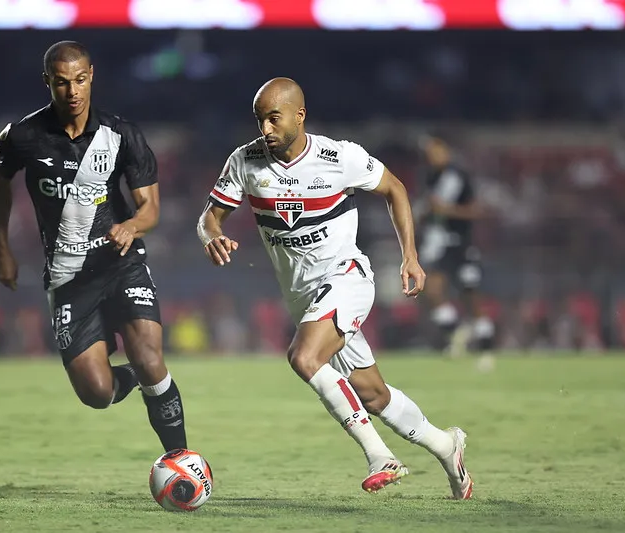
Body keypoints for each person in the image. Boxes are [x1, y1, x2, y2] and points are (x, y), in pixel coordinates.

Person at [197, 78, 473, 499]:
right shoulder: (245, 161)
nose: (265, 129)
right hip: (303, 298)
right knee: (373, 394)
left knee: (304, 357)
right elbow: (209, 217)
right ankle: (446, 445)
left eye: (274, 118)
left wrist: (410, 256)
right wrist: (210, 235)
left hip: (347, 278)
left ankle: (380, 457)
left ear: (299, 116)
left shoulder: (338, 157)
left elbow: (395, 189)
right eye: (260, 120)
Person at [0, 41, 187, 453]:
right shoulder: (22, 136)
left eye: (80, 80)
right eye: (62, 83)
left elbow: (150, 210)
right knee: (97, 393)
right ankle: (130, 377)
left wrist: (131, 226)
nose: (73, 91)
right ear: (47, 82)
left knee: (151, 359)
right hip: (68, 275)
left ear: (92, 75)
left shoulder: (122, 135)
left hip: (121, 262)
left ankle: (182, 458)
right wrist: (2, 248)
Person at [417, 133, 494, 355]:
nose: (431, 156)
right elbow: (430, 208)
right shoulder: (431, 177)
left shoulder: (460, 177)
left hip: (461, 244)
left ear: (446, 150)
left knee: (470, 295)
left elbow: (476, 211)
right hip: (439, 244)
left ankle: (486, 346)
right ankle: (455, 334)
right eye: (429, 152)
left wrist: (445, 210)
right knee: (432, 290)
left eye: (435, 150)